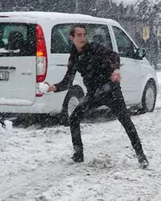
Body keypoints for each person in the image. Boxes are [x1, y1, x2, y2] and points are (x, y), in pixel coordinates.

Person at [47, 24, 148, 168]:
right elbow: (68, 81)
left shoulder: (94, 48)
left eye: (84, 34)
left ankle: (141, 155)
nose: (82, 38)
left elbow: (114, 55)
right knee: (74, 118)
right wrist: (55, 87)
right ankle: (78, 154)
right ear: (71, 38)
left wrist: (116, 70)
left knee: (126, 122)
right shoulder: (74, 56)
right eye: (79, 35)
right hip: (94, 94)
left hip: (111, 90)